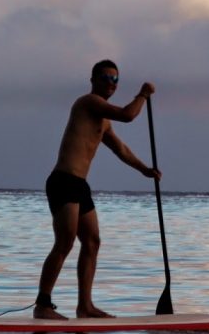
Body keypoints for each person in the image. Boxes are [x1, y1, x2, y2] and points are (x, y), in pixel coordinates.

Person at [34, 60, 161, 320]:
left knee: (92, 242)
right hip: (63, 181)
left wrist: (144, 170)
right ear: (93, 79)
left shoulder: (103, 120)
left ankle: (85, 306)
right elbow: (128, 114)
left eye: (115, 79)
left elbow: (121, 150)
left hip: (80, 185)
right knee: (65, 242)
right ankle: (42, 305)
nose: (110, 83)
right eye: (105, 77)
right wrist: (143, 94)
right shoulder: (87, 103)